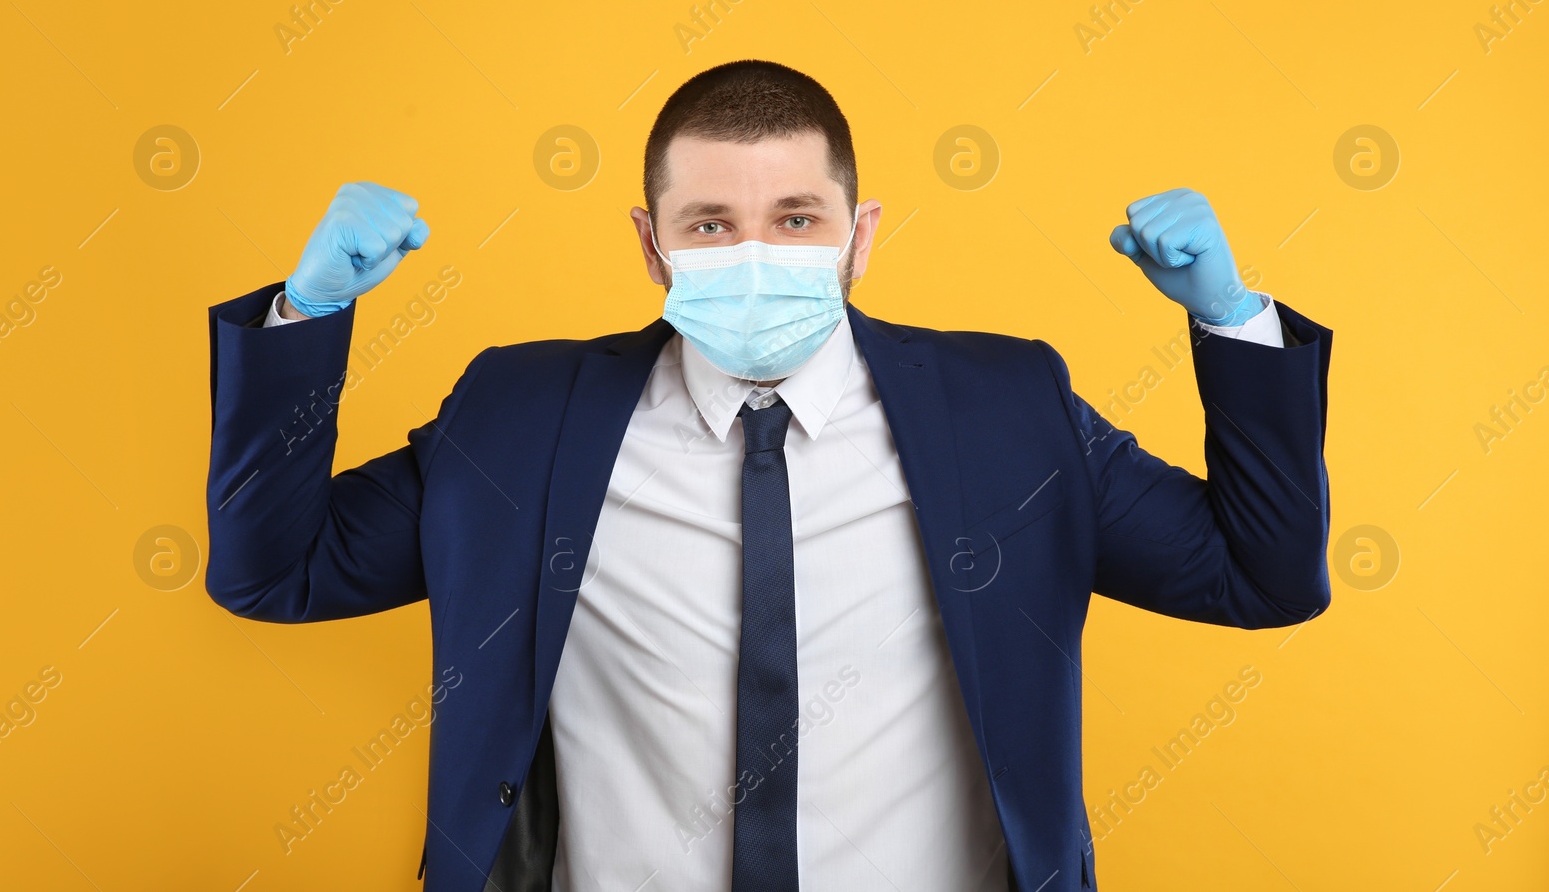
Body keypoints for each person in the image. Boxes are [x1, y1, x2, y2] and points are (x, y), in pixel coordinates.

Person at [205, 59, 1332, 892]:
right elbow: (275, 569)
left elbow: (1259, 574)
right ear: (653, 248)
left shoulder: (1006, 412)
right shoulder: (520, 415)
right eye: (710, 222)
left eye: (795, 218)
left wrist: (1232, 324)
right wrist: (309, 313)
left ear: (860, 233)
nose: (755, 252)